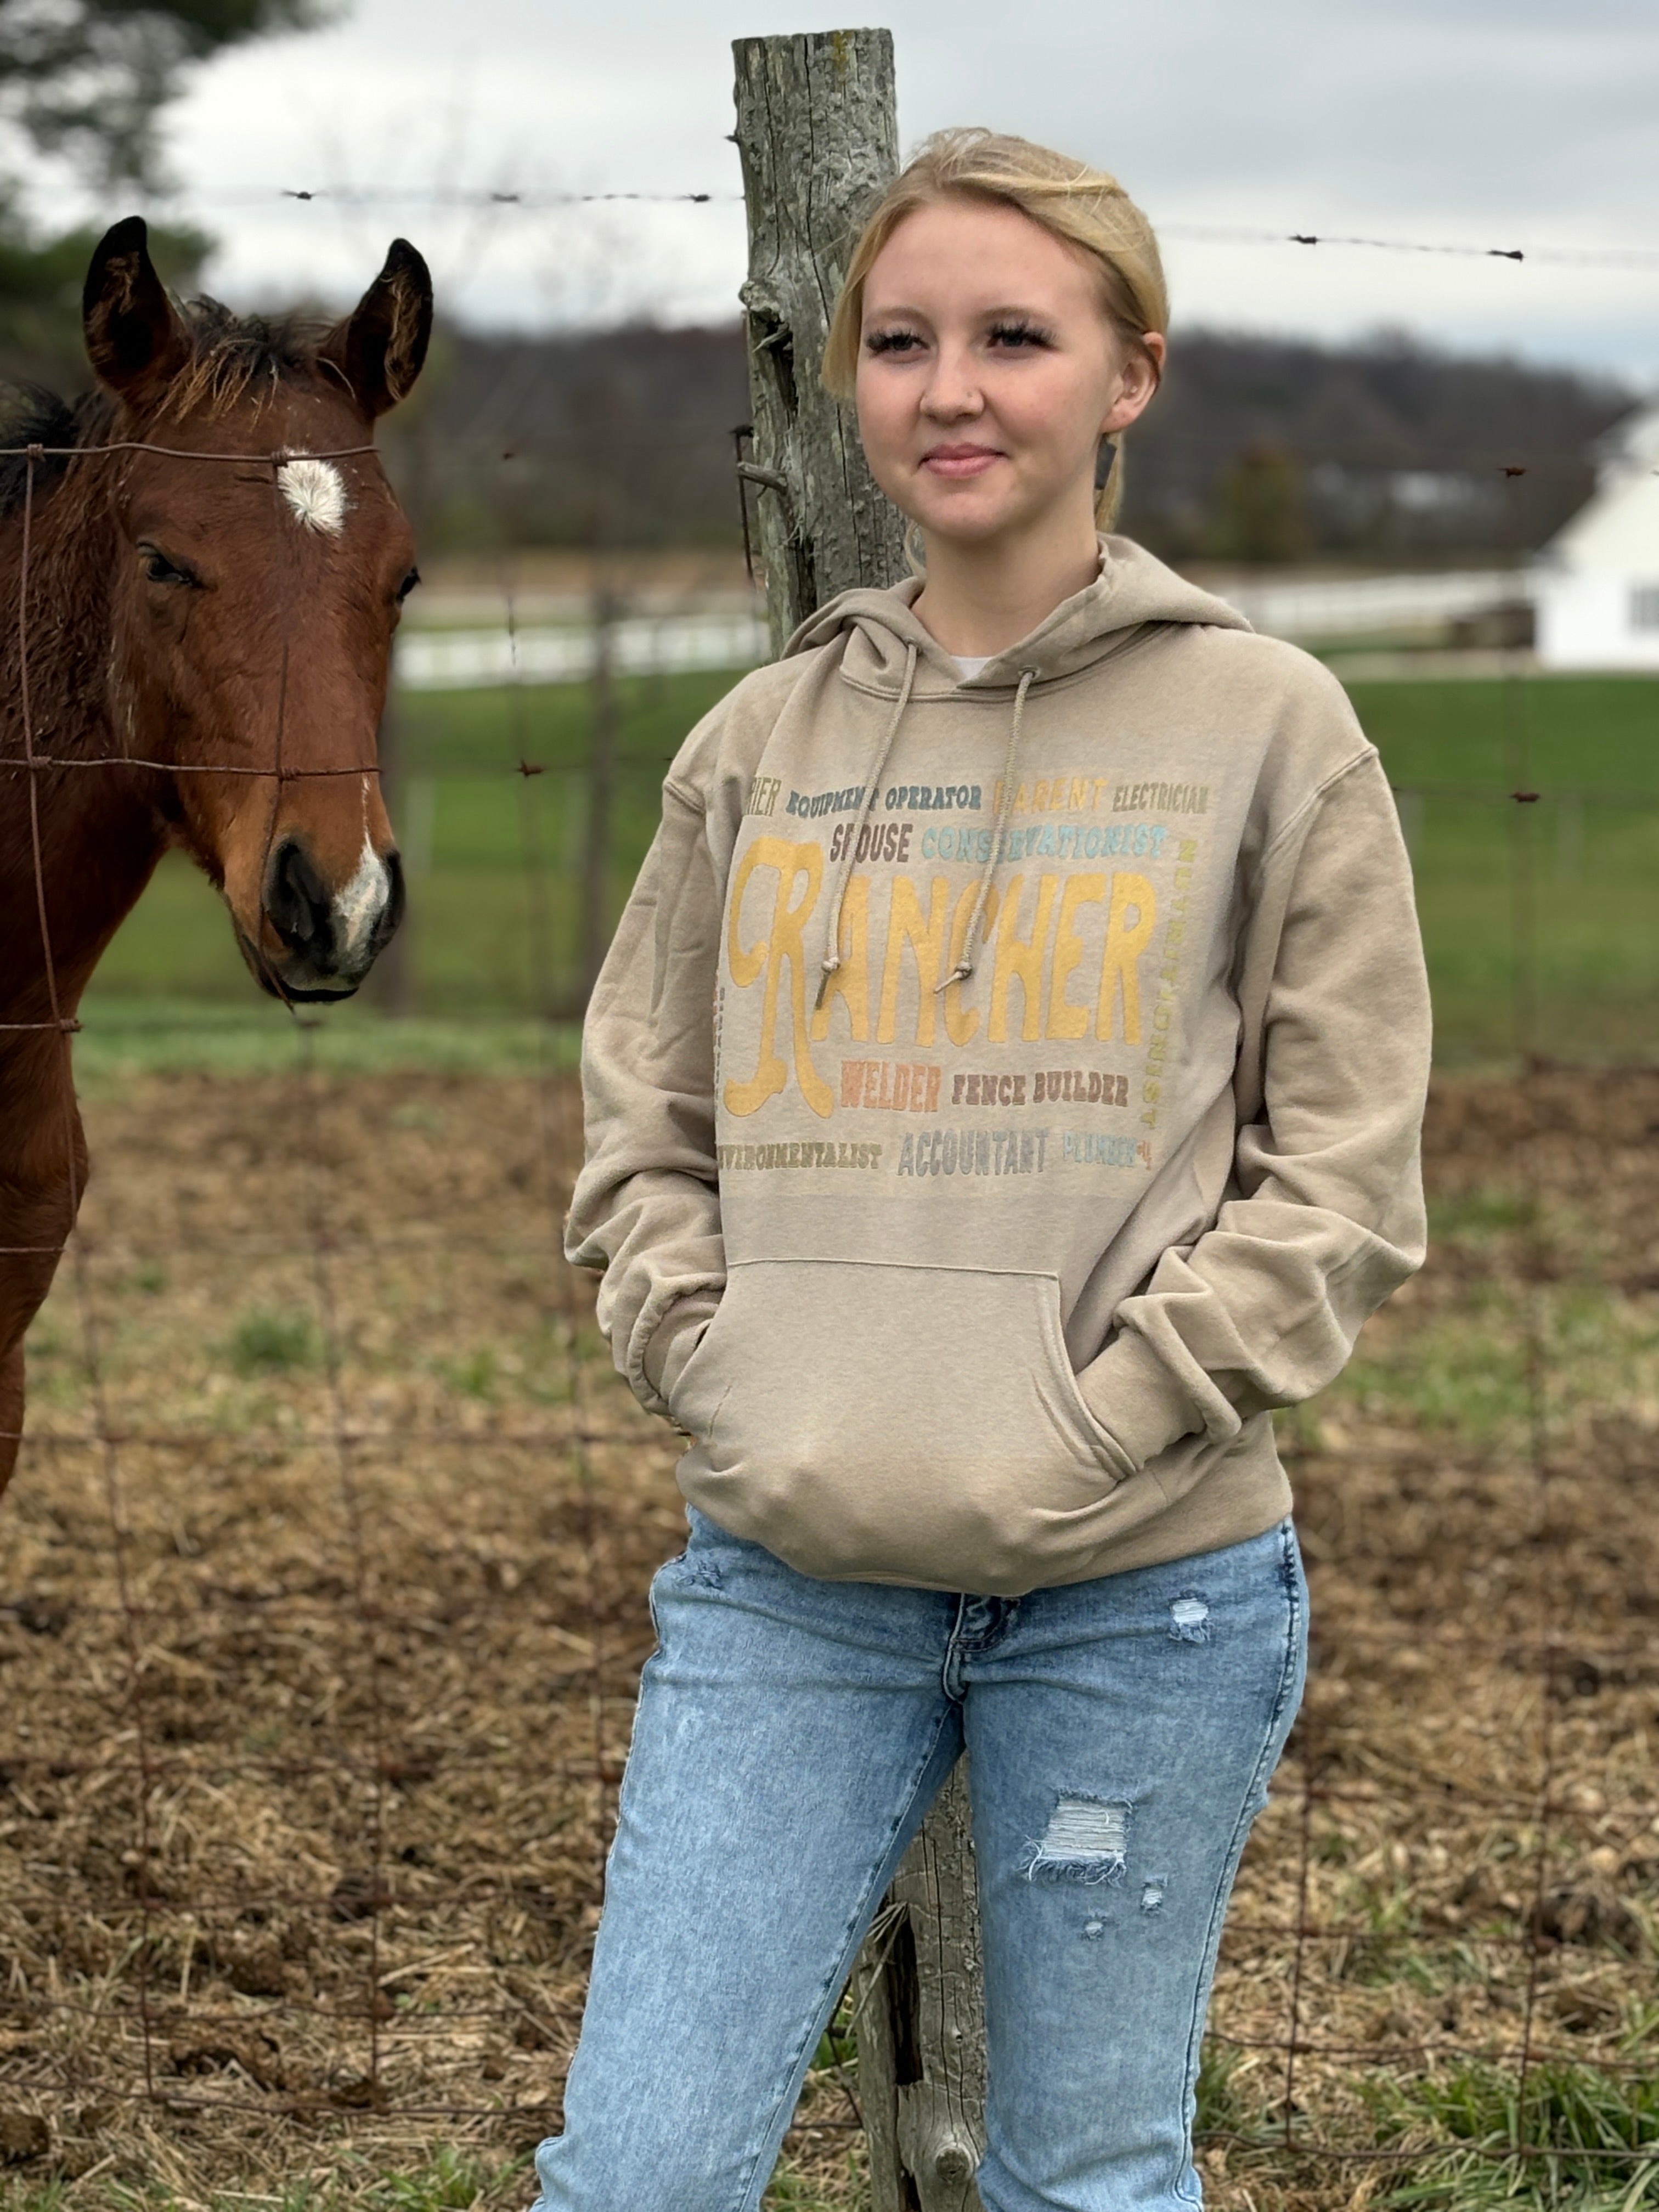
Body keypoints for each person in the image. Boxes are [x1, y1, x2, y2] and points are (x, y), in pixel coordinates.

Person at [537, 129, 1430, 2212]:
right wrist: (717, 1361)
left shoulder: (1274, 729)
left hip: (1143, 1595)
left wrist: (1104, 1415)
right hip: (789, 1590)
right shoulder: (756, 746)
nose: (952, 389)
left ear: (1129, 375)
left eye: (1016, 338)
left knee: (1084, 2182)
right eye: (902, 339)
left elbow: (1348, 1180)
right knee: (638, 2173)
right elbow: (640, 1127)